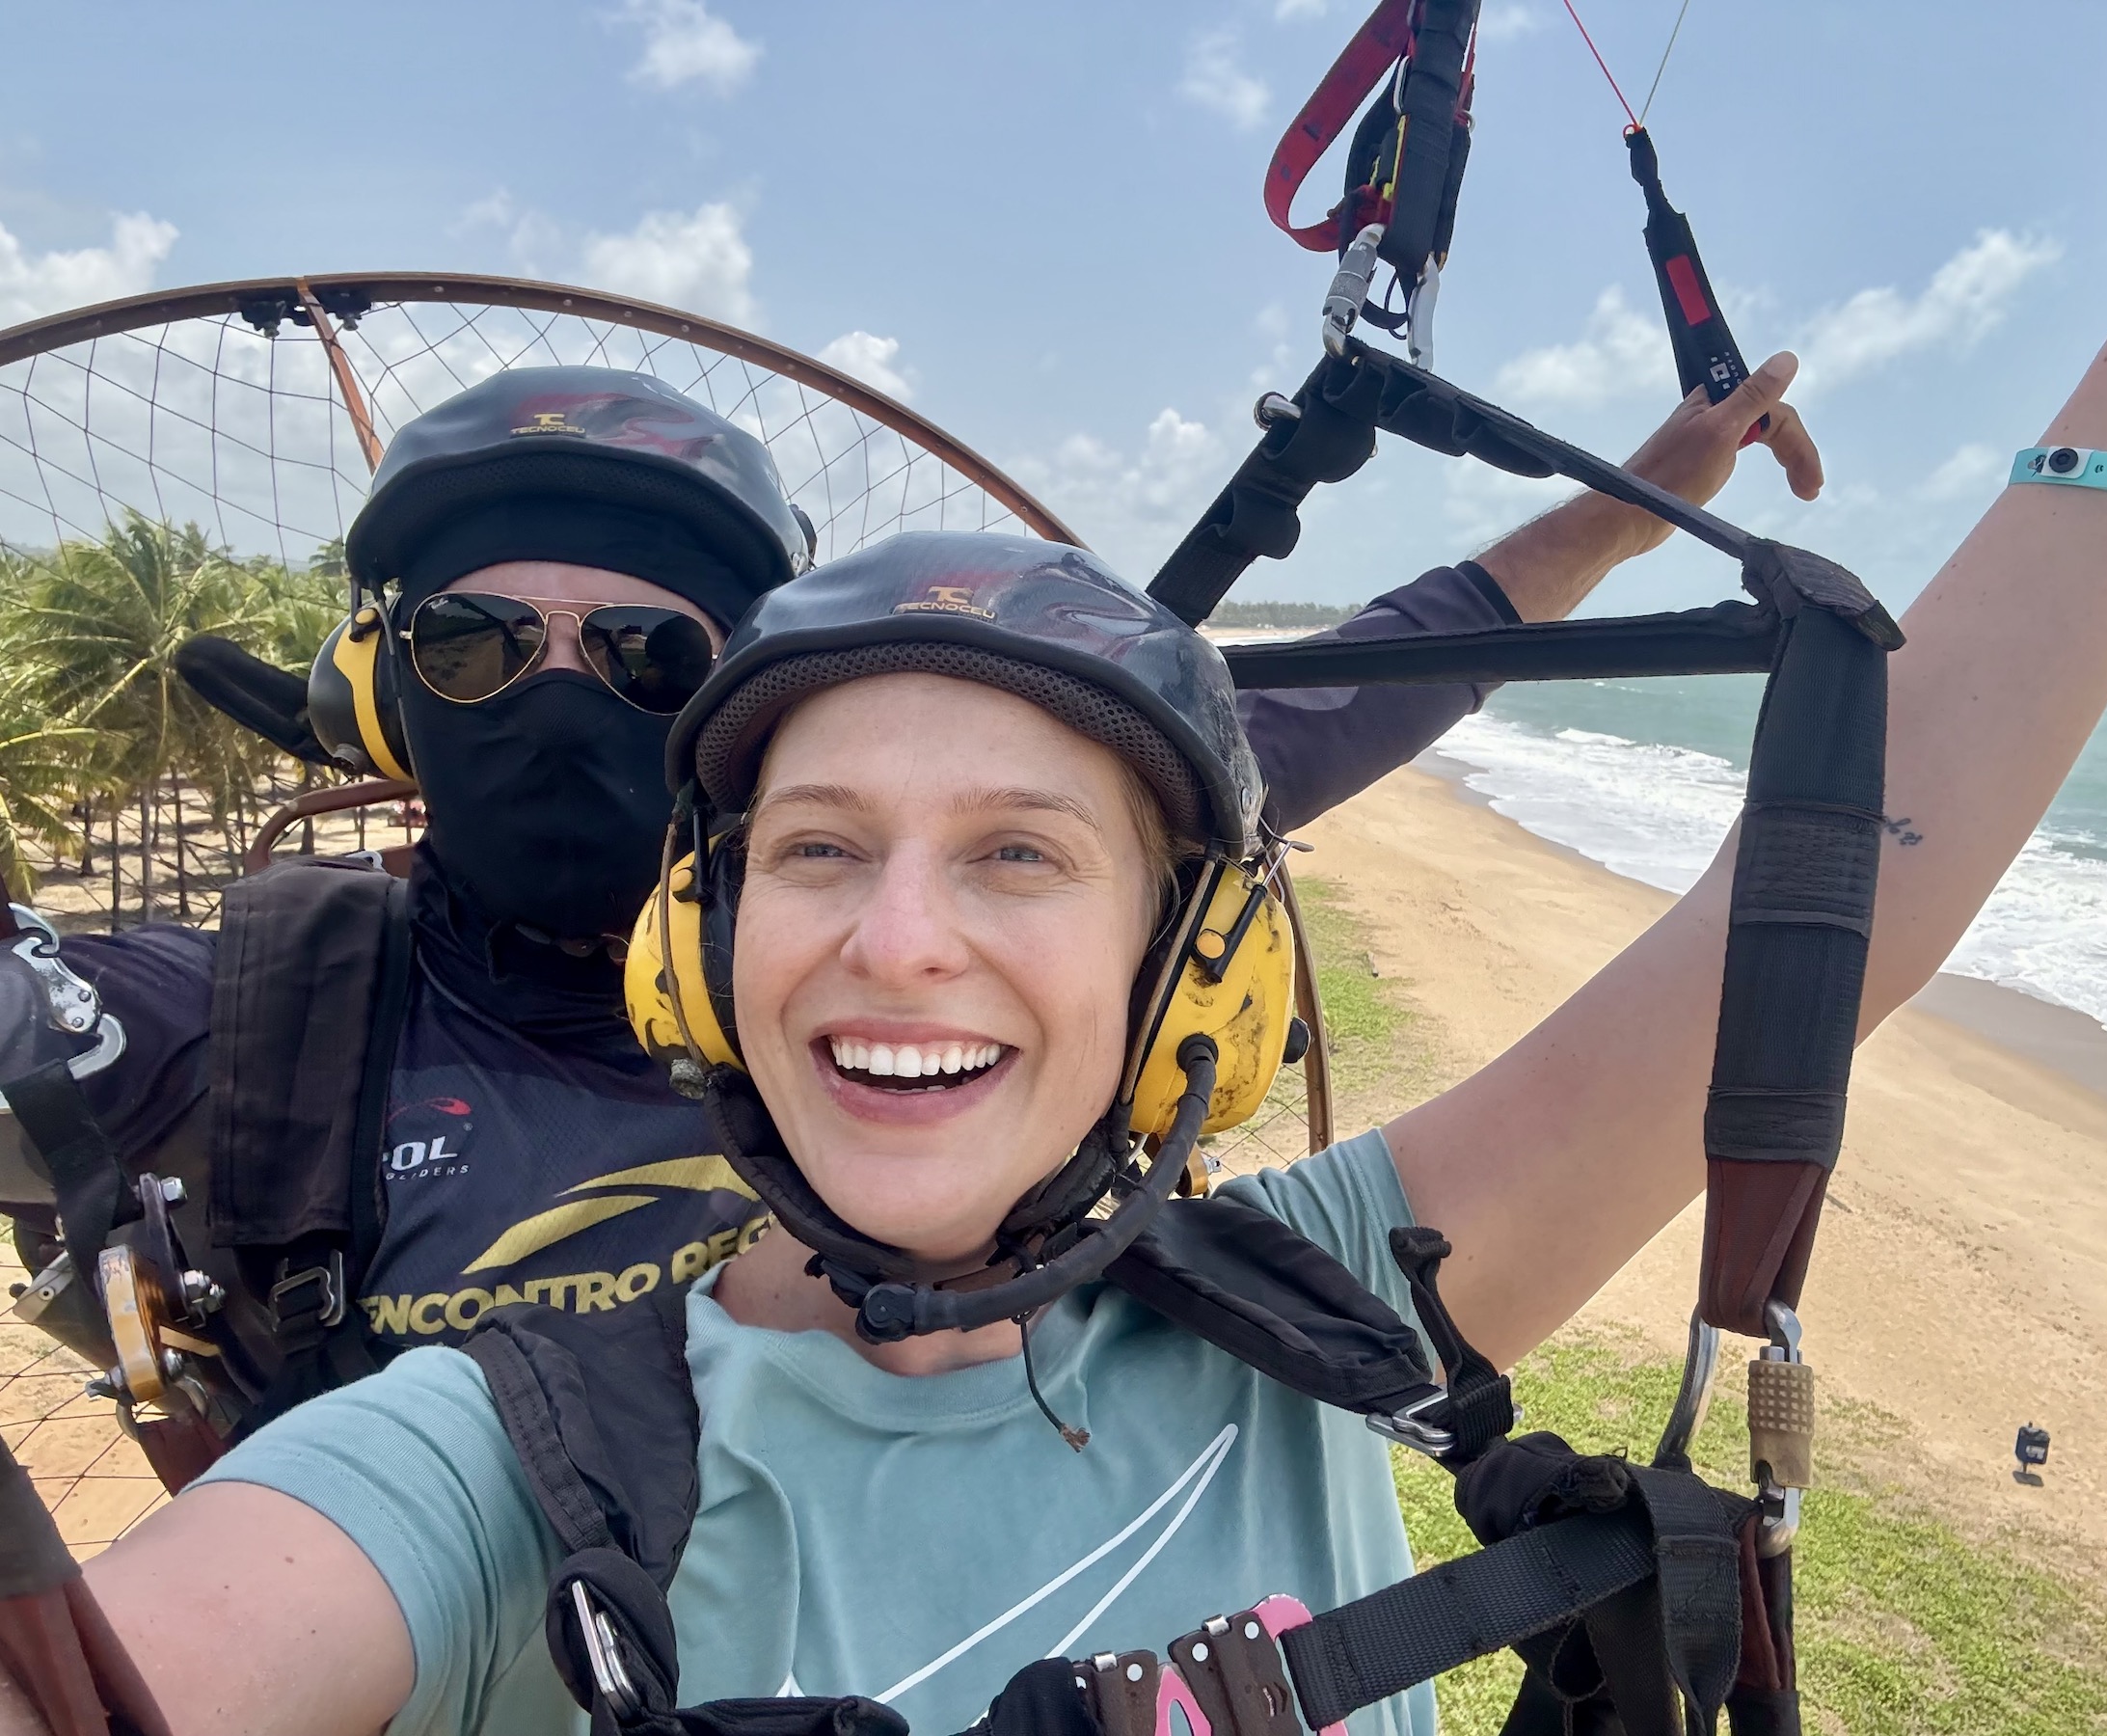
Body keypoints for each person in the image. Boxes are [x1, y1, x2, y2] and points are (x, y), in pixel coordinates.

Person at [7, 4, 2107, 1722]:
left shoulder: (1322, 1302)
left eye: (1021, 855)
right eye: (821, 846)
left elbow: (1839, 885)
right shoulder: (510, 1458)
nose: (904, 933)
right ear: (710, 945)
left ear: (1178, 971)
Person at [0, 322, 1813, 1467]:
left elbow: (1358, 681)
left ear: (742, 732)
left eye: (640, 652)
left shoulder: (913, 949)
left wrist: (1633, 506)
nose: (555, 697)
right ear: (390, 693)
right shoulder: (238, 1023)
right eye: (475, 644)